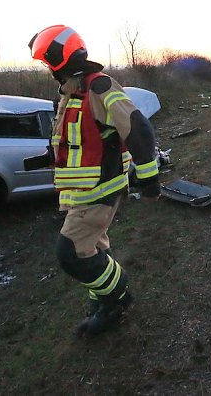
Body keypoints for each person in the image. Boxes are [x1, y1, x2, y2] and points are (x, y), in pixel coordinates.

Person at [28, 25, 160, 338]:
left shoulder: (99, 87)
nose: (47, 68)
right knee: (92, 249)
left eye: (48, 62)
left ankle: (117, 298)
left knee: (71, 253)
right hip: (80, 192)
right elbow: (78, 139)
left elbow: (138, 130)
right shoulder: (71, 91)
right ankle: (103, 298)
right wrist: (47, 158)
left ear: (60, 59)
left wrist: (149, 180)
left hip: (99, 191)